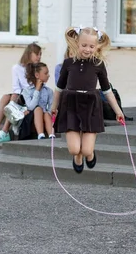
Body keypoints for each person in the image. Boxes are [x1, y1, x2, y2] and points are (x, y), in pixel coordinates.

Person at [52, 26, 124, 174]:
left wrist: (118, 111)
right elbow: (59, 88)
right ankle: (77, 157)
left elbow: (107, 91)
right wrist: (54, 107)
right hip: (71, 104)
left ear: (96, 46)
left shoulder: (98, 64)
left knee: (86, 149)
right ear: (77, 44)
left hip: (91, 105)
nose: (87, 49)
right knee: (74, 149)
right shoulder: (68, 63)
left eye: (91, 46)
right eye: (84, 45)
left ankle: (89, 154)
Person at [0, 43, 42, 143]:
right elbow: (16, 87)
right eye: (37, 54)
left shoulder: (38, 69)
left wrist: (17, 96)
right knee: (5, 97)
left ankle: (5, 131)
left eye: (40, 55)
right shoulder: (16, 68)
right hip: (19, 96)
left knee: (14, 96)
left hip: (30, 98)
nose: (39, 57)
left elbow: (34, 88)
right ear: (30, 54)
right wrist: (16, 97)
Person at [19, 62, 55, 140]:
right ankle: (40, 134)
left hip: (45, 118)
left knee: (46, 113)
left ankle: (51, 134)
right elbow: (30, 107)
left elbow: (51, 108)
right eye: (46, 73)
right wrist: (37, 90)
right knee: (38, 109)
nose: (48, 75)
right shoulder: (27, 91)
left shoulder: (49, 91)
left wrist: (50, 113)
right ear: (37, 75)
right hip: (31, 119)